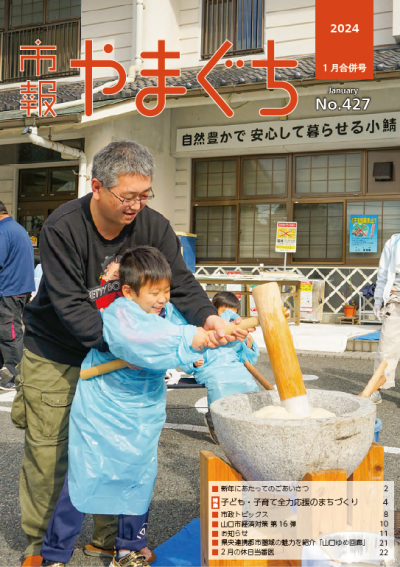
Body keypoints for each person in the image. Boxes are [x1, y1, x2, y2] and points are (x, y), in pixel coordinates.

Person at [12, 140, 249, 567]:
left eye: (144, 195)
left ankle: (109, 541)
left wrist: (207, 319)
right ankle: (40, 549)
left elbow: (181, 283)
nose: (136, 206)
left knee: (120, 447)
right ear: (97, 186)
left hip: (127, 355)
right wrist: (145, 346)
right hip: (59, 350)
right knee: (52, 450)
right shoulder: (62, 228)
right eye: (128, 197)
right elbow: (71, 308)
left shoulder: (153, 226)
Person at [40, 246, 214, 567]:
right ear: (129, 291)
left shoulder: (167, 314)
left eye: (165, 290)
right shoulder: (119, 313)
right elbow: (142, 341)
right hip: (102, 408)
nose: (162, 298)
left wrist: (196, 352)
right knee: (85, 477)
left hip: (142, 411)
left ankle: (129, 549)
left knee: (138, 475)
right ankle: (54, 555)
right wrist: (189, 341)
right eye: (154, 292)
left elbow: (174, 338)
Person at [179, 291, 259, 443]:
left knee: (248, 383)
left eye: (233, 313)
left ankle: (247, 423)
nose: (228, 316)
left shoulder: (235, 333)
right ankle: (215, 421)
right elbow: (187, 350)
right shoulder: (202, 328)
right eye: (224, 311)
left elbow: (246, 359)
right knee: (219, 384)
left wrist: (249, 345)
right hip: (210, 368)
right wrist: (194, 362)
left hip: (233, 366)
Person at [0, 201, 35, 390]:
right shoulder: (18, 229)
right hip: (19, 289)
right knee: (5, 331)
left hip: (9, 291)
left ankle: (19, 377)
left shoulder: (3, 231)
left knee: (9, 334)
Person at [372, 233, 400, 404]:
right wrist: (377, 300)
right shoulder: (394, 241)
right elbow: (382, 273)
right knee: (386, 347)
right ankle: (375, 389)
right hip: (395, 300)